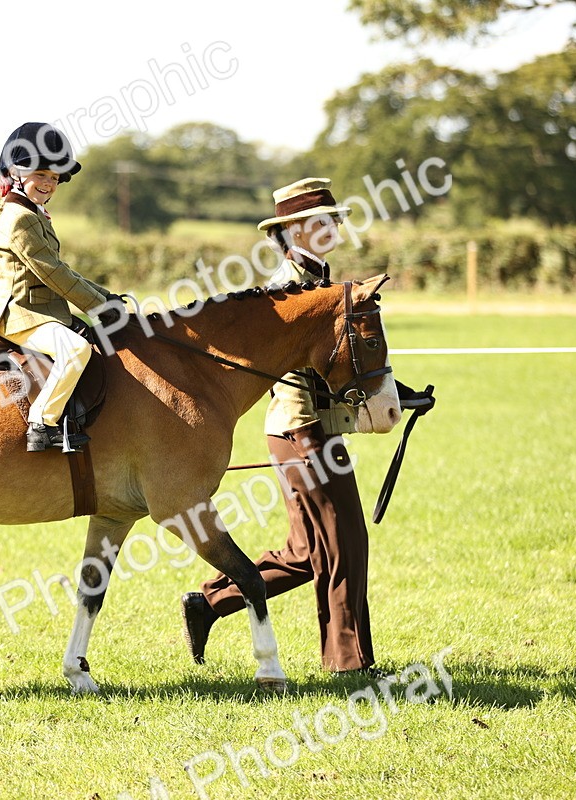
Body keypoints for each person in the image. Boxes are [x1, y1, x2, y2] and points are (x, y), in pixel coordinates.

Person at [179, 177, 434, 674]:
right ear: (293, 230)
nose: (331, 227)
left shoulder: (323, 282)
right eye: (319, 222)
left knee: (306, 551)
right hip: (300, 430)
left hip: (318, 430)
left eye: (333, 219)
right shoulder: (285, 290)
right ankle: (349, 665)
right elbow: (312, 365)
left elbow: (345, 363)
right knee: (345, 543)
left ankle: (209, 602)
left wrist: (396, 394)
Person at [0, 122, 120, 453]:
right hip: (20, 315)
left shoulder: (34, 213)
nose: (49, 184)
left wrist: (107, 297)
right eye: (41, 175)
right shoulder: (20, 217)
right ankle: (42, 424)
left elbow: (63, 270)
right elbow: (53, 273)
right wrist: (99, 307)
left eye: (55, 179)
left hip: (41, 311)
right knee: (76, 350)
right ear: (16, 172)